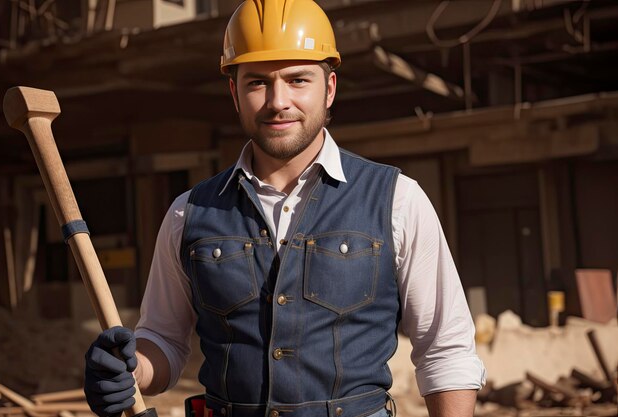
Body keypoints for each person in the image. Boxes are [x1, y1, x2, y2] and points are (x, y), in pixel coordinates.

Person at [84, 1, 486, 416]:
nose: (278, 101)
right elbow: (163, 341)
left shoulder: (397, 200)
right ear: (234, 92)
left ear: (329, 88)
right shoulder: (189, 213)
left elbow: (445, 348)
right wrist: (130, 372)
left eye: (297, 80)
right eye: (257, 82)